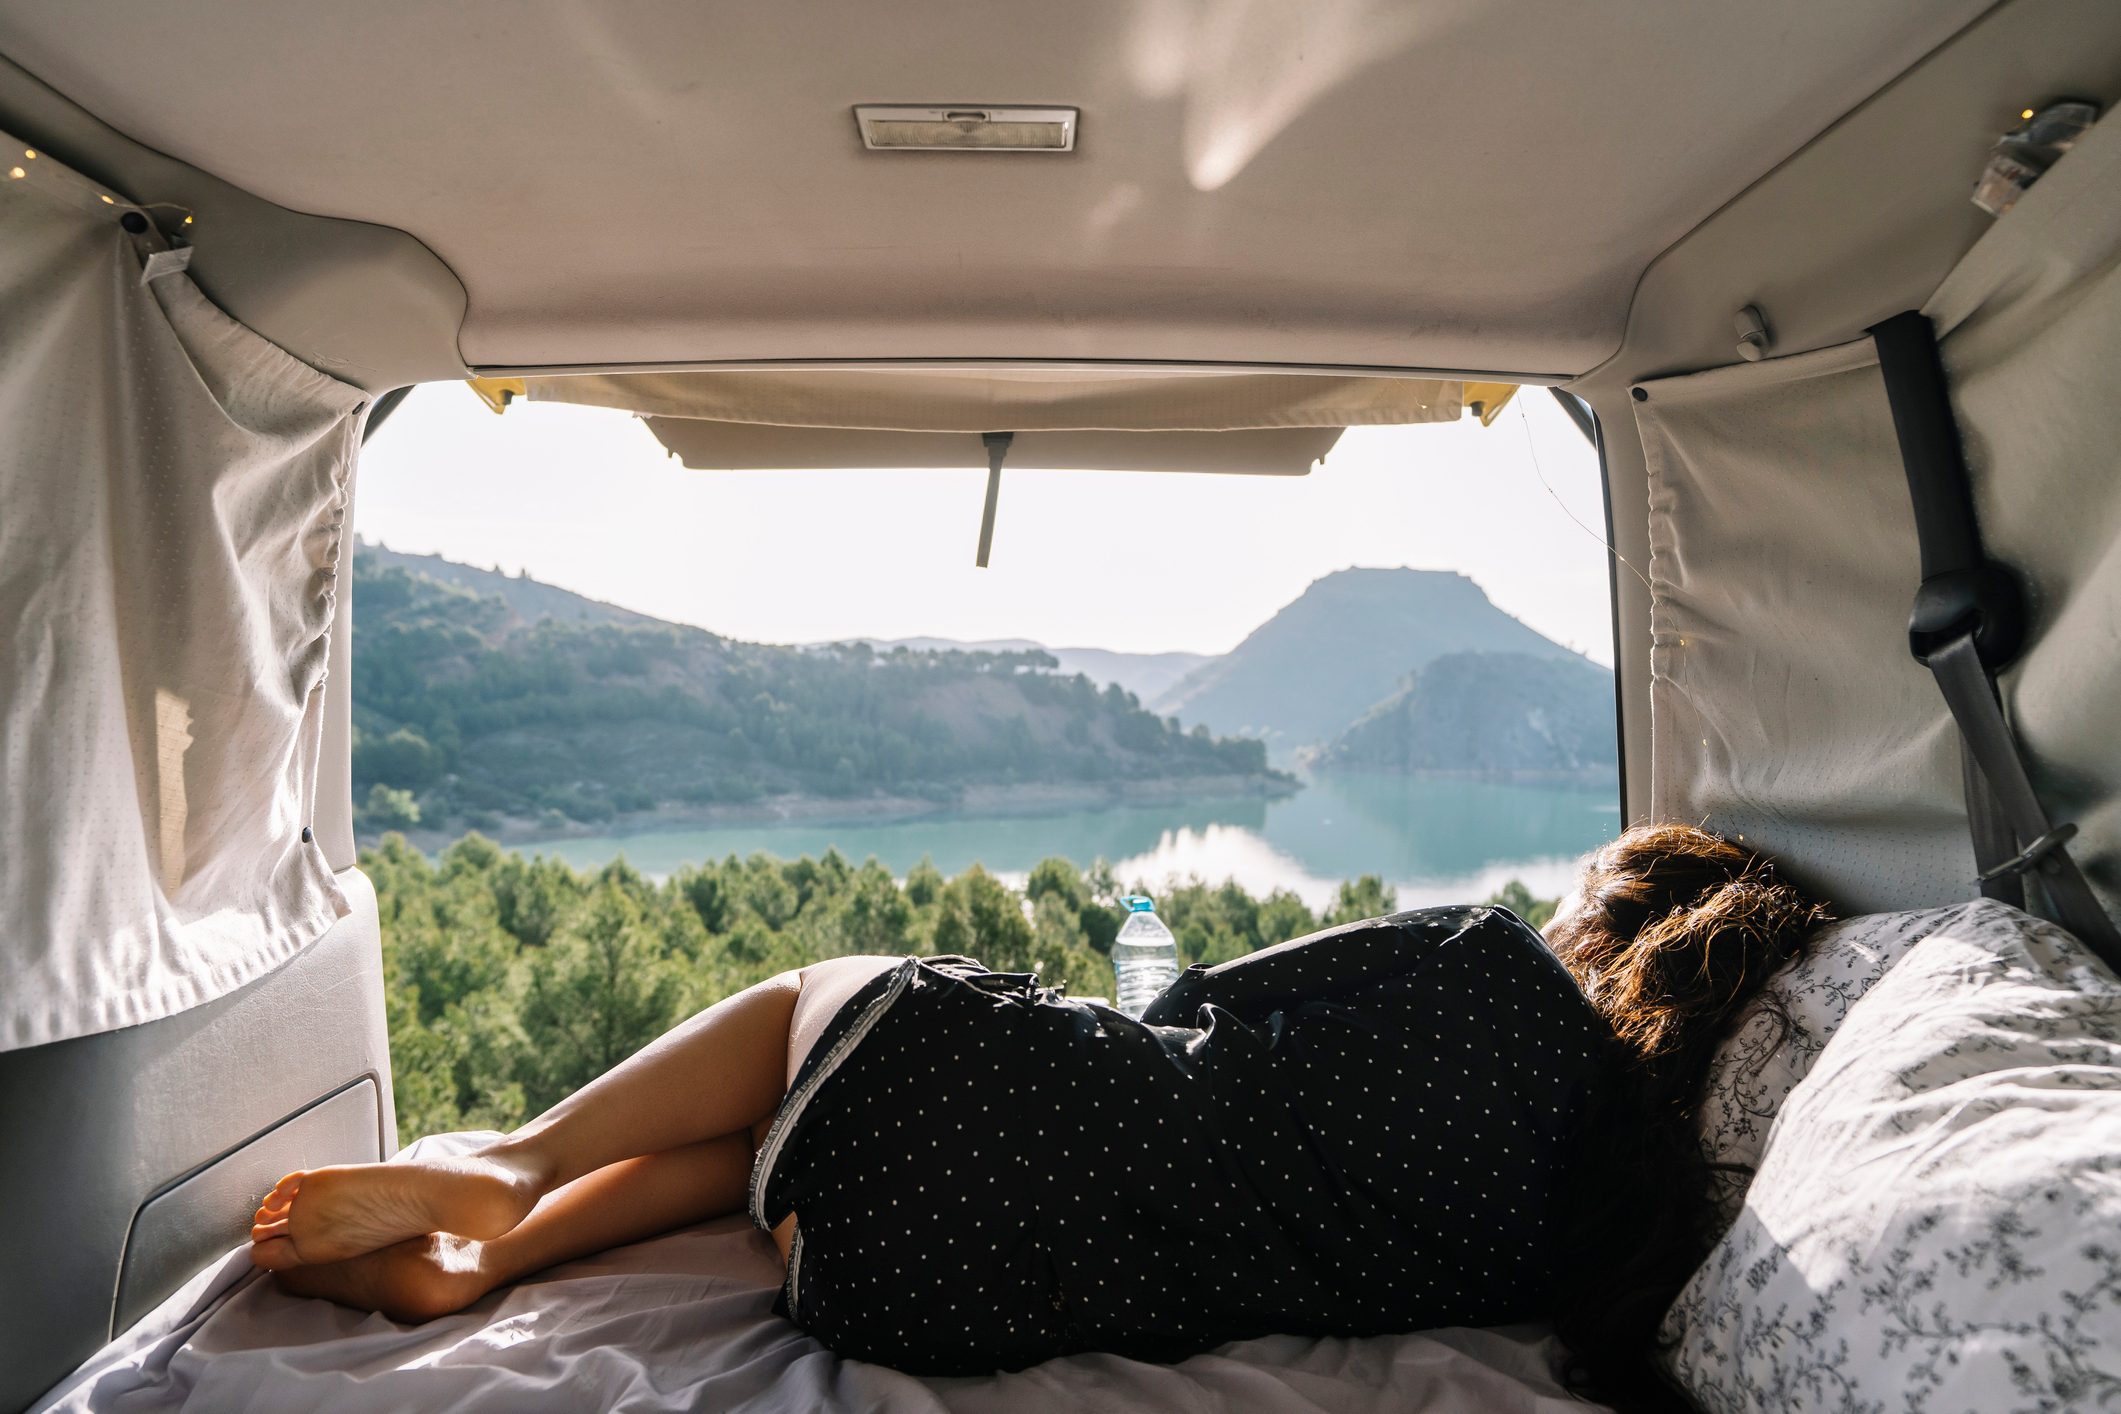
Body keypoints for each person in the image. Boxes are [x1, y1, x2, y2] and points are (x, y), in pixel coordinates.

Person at [251, 823, 1825, 1404]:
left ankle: (508, 1170)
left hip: (985, 1106)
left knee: (850, 1001)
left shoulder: (1488, 967)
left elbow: (1204, 994)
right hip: (921, 1294)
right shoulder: (1600, 1233)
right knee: (788, 1157)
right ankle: (490, 1265)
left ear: (1617, 922)